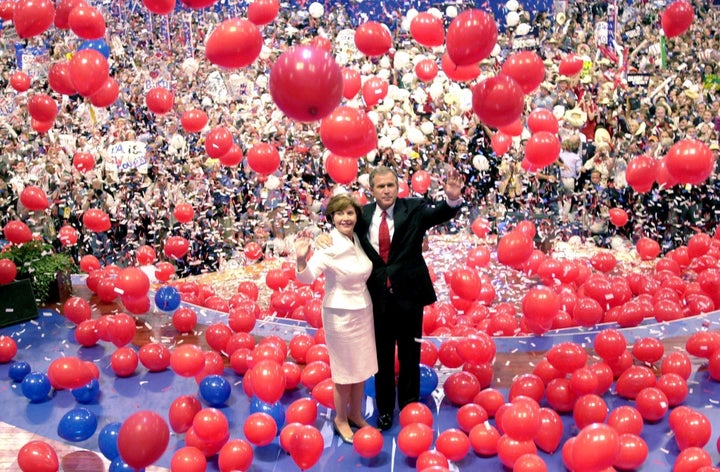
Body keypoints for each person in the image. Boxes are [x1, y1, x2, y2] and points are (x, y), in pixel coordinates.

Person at [354, 165, 464, 431]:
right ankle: (384, 412)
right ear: (372, 190)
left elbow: (441, 213)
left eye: (391, 185)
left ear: (397, 186)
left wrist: (451, 199)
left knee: (409, 355)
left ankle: (408, 406)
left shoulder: (413, 208)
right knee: (380, 359)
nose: (387, 190)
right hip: (376, 300)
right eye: (381, 186)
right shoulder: (361, 215)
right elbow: (340, 230)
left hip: (409, 299)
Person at [294, 193, 377, 444]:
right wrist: (300, 258)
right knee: (344, 371)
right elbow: (307, 278)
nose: (345, 218)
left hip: (363, 310)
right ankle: (341, 419)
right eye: (340, 213)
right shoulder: (328, 244)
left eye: (349, 213)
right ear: (332, 217)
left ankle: (355, 413)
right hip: (340, 314)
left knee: (361, 367)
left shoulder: (358, 239)